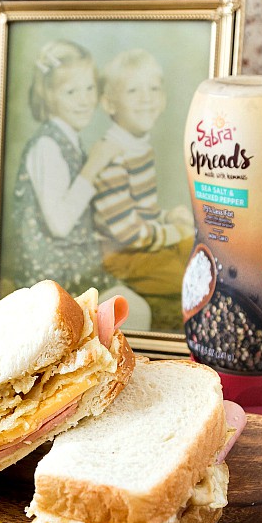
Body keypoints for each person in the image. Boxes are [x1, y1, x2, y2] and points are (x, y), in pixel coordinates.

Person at [7, 39, 151, 327]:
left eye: (89, 88)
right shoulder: (47, 145)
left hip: (75, 266)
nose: (84, 99)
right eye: (71, 91)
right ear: (48, 96)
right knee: (134, 310)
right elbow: (60, 223)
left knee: (135, 301)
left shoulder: (69, 140)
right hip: (53, 277)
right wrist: (94, 164)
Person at [87, 48, 194, 329]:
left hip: (141, 244)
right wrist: (174, 232)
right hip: (121, 256)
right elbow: (129, 233)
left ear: (163, 98)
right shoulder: (112, 155)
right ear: (110, 104)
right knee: (188, 276)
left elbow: (143, 211)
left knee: (196, 250)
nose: (147, 97)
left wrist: (168, 218)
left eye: (154, 88)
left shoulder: (139, 146)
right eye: (133, 90)